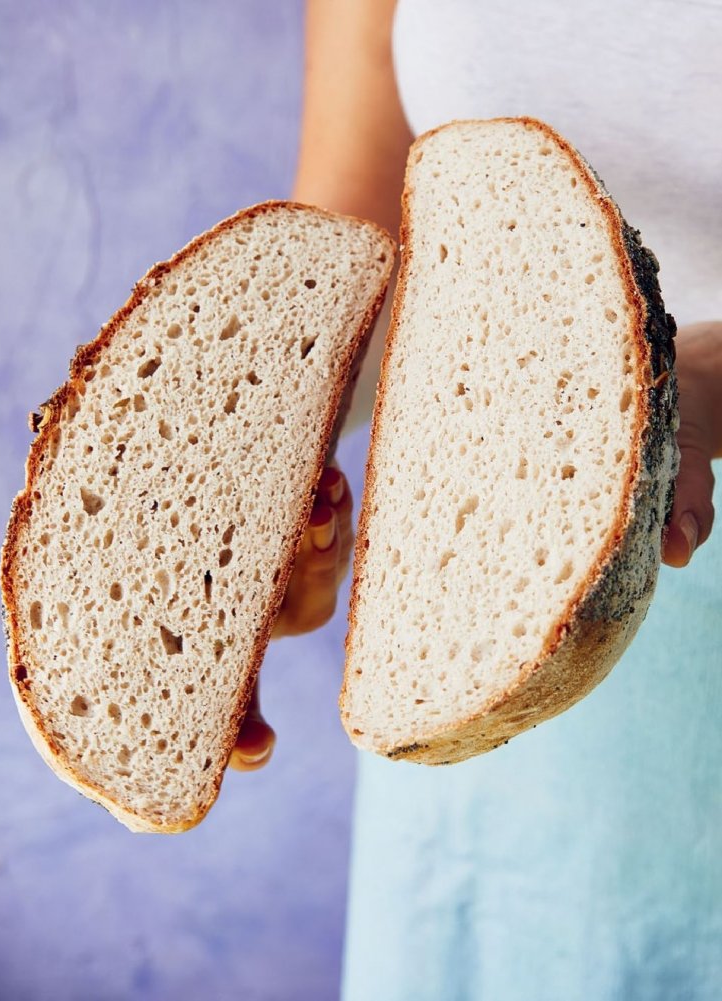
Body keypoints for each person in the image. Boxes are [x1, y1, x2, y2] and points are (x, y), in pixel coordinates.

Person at [235, 1, 722, 997]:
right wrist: (258, 471)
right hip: (476, 630)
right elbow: (357, 244)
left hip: (673, 506)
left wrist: (679, 385)